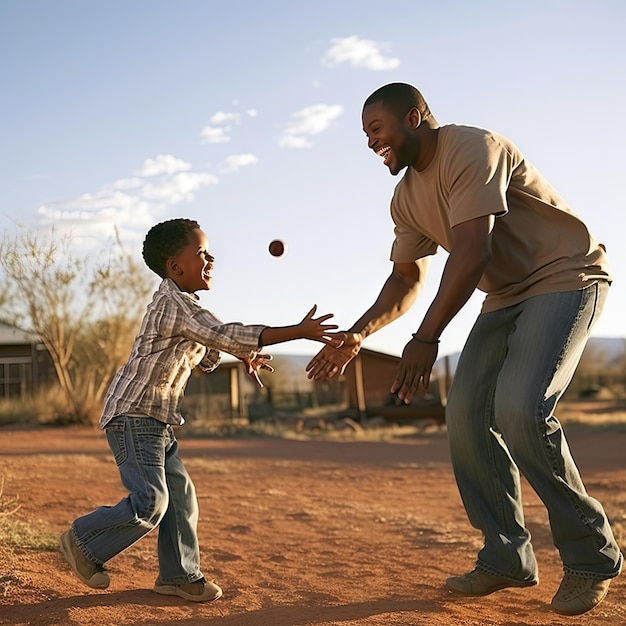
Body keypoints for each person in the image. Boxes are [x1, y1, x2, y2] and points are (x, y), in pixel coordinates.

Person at [306, 83, 622, 616]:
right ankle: (506, 556)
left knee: (521, 409)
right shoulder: (404, 198)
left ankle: (592, 557)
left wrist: (425, 339)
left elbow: (473, 250)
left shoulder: (472, 147)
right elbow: (406, 278)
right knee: (467, 417)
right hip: (504, 295)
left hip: (567, 276)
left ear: (415, 117)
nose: (370, 143)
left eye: (376, 130)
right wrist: (360, 333)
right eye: (365, 135)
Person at [60, 217, 344, 602]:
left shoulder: (186, 309)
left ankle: (178, 576)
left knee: (180, 496)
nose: (211, 259)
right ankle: (83, 539)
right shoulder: (173, 304)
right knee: (152, 503)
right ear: (175, 267)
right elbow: (224, 333)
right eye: (201, 254)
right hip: (134, 417)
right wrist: (297, 330)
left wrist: (245, 355)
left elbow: (207, 350)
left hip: (158, 421)